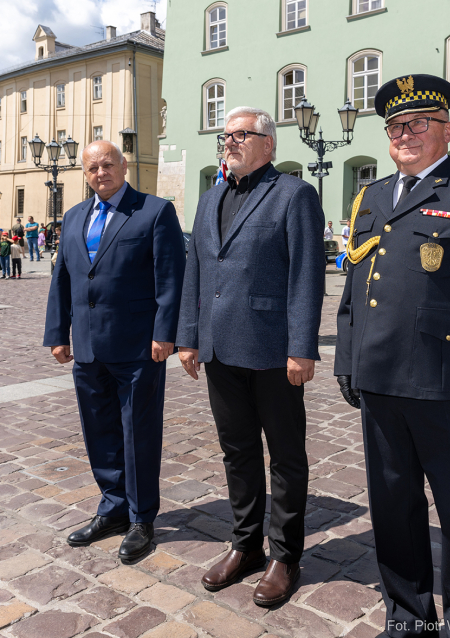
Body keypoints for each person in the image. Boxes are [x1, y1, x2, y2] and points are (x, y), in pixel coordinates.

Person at [335, 75, 450, 635]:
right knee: (392, 509)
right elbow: (354, 287)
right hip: (380, 382)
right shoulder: (370, 196)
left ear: (447, 130)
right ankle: (408, 612)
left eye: (419, 123)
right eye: (396, 126)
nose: (405, 134)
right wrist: (348, 358)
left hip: (448, 388)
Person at [177, 106, 324, 607]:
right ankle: (245, 546)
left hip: (271, 349)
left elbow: (307, 274)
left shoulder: (293, 194)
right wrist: (188, 336)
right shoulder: (210, 197)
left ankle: (285, 555)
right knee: (237, 451)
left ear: (268, 143)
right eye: (226, 136)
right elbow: (195, 269)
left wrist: (302, 347)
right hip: (220, 349)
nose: (230, 142)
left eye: (240, 134)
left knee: (285, 456)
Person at [44, 140, 185, 562]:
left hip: (138, 345)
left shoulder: (154, 211)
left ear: (124, 166)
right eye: (92, 168)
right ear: (84, 174)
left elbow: (171, 278)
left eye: (108, 164)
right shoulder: (73, 218)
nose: (100, 173)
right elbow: (63, 279)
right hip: (87, 346)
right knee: (99, 430)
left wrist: (166, 334)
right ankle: (113, 508)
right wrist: (58, 333)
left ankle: (142, 517)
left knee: (137, 432)